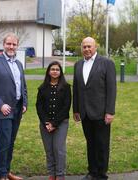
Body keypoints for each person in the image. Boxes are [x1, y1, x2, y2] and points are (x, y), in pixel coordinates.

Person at [0, 33, 27, 180]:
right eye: (9, 44)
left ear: (17, 46)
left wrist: (24, 103)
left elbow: (23, 85)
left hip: (17, 109)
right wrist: (0, 105)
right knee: (4, 141)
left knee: (11, 142)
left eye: (14, 44)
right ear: (4, 44)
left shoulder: (19, 64)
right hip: (3, 111)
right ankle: (1, 175)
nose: (11, 47)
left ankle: (7, 171)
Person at [73, 37, 117, 180]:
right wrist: (76, 109)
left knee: (102, 144)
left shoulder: (107, 63)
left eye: (89, 46)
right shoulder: (78, 65)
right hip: (85, 113)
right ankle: (92, 172)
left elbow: (112, 89)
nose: (86, 49)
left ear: (95, 47)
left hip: (101, 112)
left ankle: (101, 174)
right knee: (90, 143)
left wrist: (110, 111)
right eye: (84, 47)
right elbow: (77, 89)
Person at [36, 61, 71, 180]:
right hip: (45, 124)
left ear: (60, 72)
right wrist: (46, 122)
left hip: (61, 123)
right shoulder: (42, 88)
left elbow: (66, 107)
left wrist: (54, 123)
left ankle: (60, 175)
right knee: (49, 150)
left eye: (57, 69)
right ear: (48, 72)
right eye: (52, 69)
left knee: (59, 150)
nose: (55, 71)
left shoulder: (66, 88)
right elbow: (39, 106)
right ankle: (52, 174)